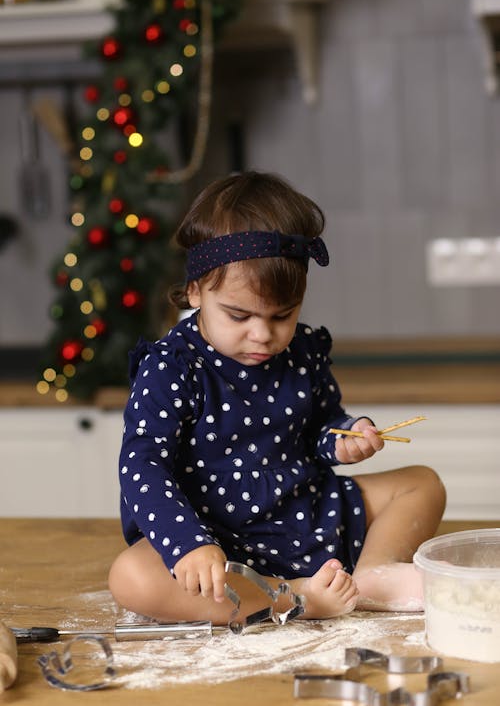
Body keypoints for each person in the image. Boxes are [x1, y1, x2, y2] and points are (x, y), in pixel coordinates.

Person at [108, 171, 446, 624]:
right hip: (222, 540)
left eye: (281, 315)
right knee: (131, 577)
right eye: (238, 315)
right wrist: (189, 543)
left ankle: (370, 578)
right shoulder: (172, 366)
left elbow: (321, 427)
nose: (263, 334)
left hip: (306, 510)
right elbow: (142, 463)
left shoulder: (302, 349)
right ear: (194, 291)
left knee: (422, 482)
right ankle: (296, 598)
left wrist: (344, 438)